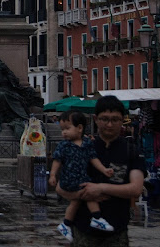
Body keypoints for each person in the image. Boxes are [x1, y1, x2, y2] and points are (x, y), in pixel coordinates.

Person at [56, 96, 146, 246]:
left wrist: (100, 188)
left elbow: (136, 189)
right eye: (104, 119)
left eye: (115, 119)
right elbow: (60, 188)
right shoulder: (81, 148)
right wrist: (83, 194)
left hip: (117, 230)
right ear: (96, 119)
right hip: (83, 230)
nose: (109, 124)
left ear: (123, 120)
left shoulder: (131, 150)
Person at [49, 111, 115, 242]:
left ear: (79, 128)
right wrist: (52, 175)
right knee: (88, 194)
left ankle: (66, 224)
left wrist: (103, 170)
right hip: (69, 179)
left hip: (81, 178)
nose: (64, 132)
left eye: (67, 128)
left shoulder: (86, 144)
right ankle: (96, 218)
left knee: (75, 202)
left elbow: (93, 159)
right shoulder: (64, 145)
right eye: (62, 129)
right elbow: (57, 161)